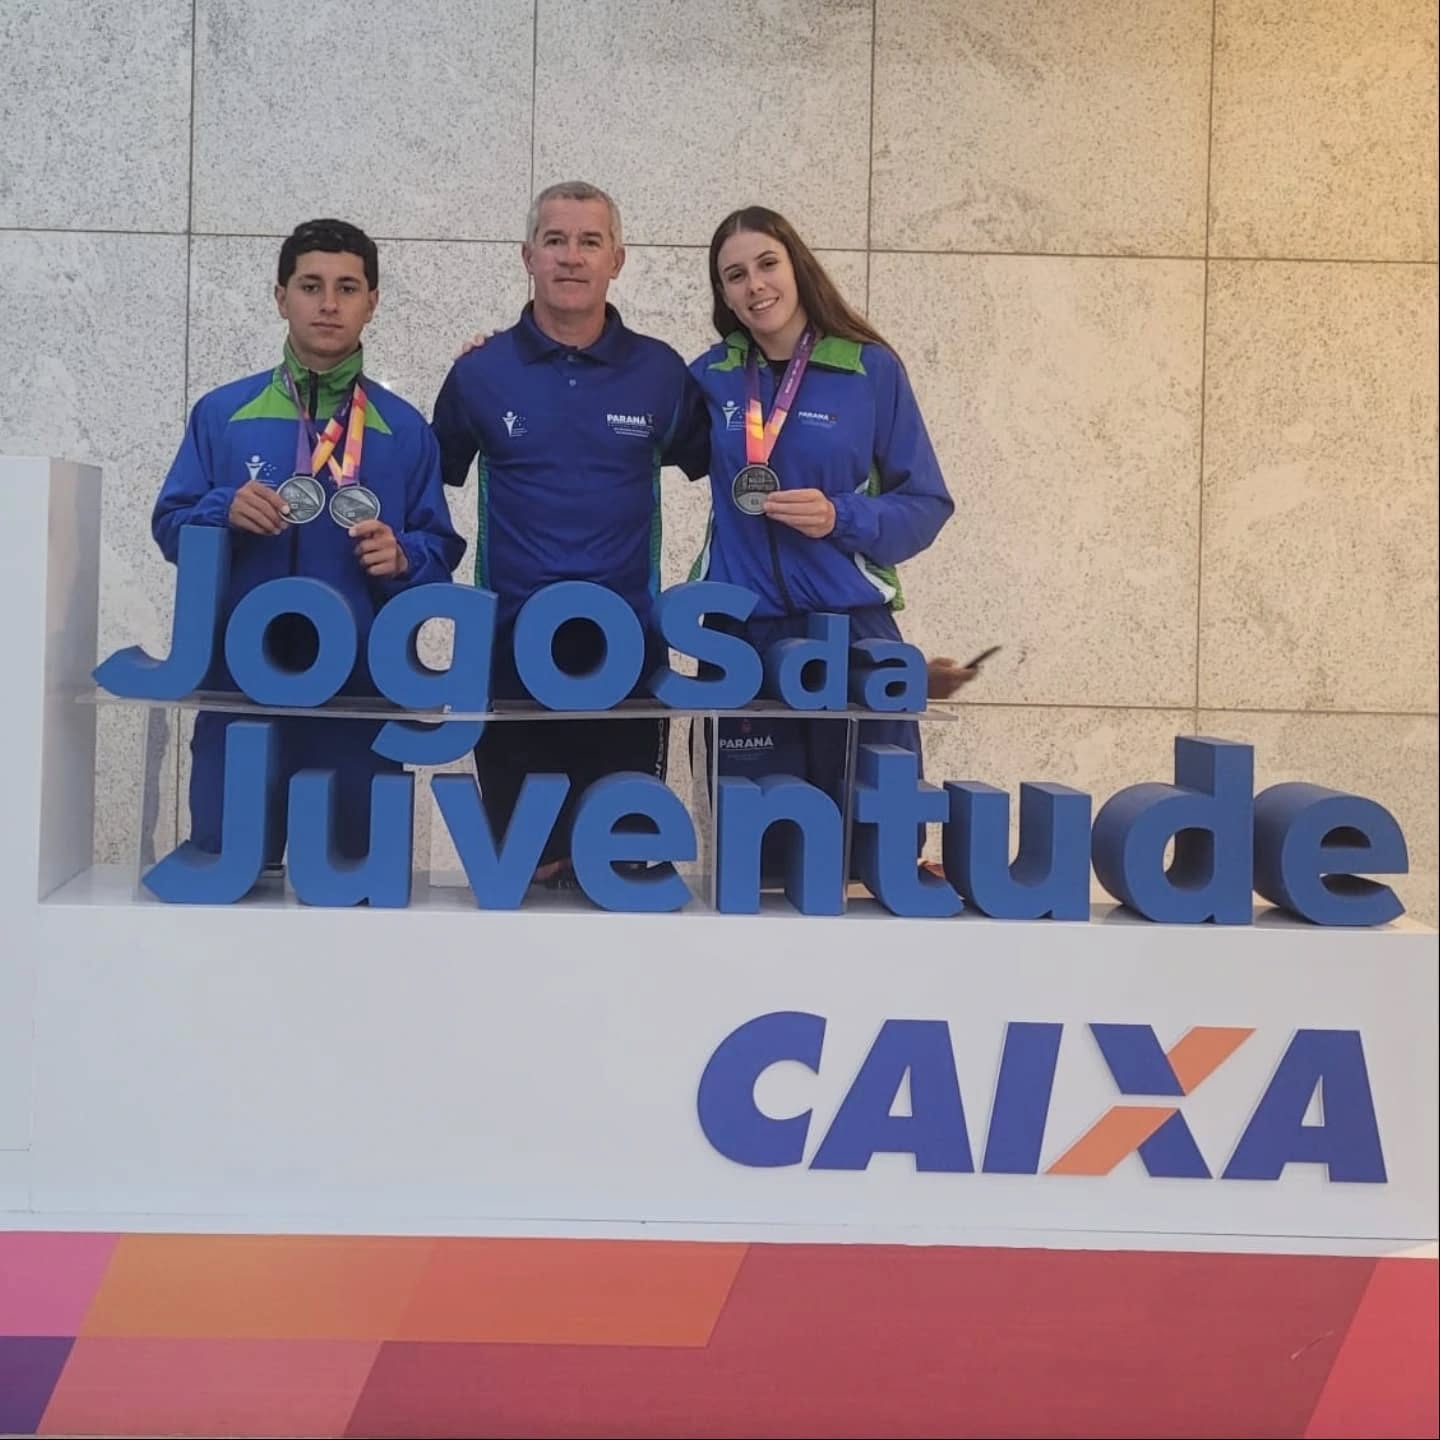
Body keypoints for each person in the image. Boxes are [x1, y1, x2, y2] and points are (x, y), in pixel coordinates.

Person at [152, 218, 465, 866]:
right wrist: (221, 508)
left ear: (372, 302)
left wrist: (404, 557)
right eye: (310, 285)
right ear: (280, 297)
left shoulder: (404, 430)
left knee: (354, 889)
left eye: (347, 288)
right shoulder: (223, 413)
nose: (328, 304)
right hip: (240, 696)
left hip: (358, 703)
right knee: (228, 882)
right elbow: (170, 527)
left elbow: (440, 548)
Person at [431, 180, 709, 888]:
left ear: (618, 259)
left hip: (628, 661)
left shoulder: (661, 373)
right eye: (555, 240)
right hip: (510, 661)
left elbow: (733, 466)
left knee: (617, 870)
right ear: (528, 255)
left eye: (590, 241)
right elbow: (428, 483)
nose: (572, 256)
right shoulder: (479, 372)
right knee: (525, 873)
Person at [690, 206, 955, 838]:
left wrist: (843, 515)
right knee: (756, 853)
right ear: (723, 293)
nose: (755, 285)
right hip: (741, 640)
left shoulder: (870, 369)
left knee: (875, 847)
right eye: (735, 275)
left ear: (798, 267)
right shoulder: (707, 378)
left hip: (851, 637)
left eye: (767, 264)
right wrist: (497, 357)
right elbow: (614, 420)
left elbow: (927, 503)